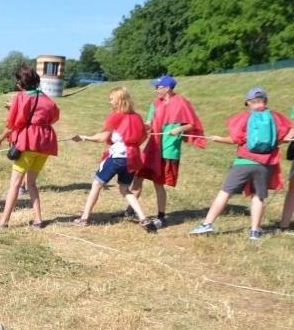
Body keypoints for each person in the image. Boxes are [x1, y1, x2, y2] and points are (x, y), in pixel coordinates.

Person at [191, 88, 291, 240]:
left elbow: (234, 139)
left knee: (225, 193)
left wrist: (219, 139)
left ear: (248, 102)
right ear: (266, 101)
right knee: (258, 197)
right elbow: (288, 134)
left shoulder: (244, 117)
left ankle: (207, 224)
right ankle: (255, 231)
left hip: (244, 161)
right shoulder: (276, 117)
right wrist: (280, 140)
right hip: (266, 163)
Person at [71, 87, 158, 231]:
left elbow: (102, 137)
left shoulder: (115, 116)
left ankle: (84, 218)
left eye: (111, 98)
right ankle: (143, 218)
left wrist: (84, 137)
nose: (109, 101)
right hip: (132, 158)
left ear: (118, 100)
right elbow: (143, 130)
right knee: (125, 189)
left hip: (118, 156)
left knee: (96, 185)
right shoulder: (136, 116)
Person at [129, 76, 206, 224]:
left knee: (158, 182)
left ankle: (161, 216)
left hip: (169, 148)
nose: (155, 90)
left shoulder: (182, 103)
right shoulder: (155, 103)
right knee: (138, 177)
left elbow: (193, 124)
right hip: (153, 146)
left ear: (167, 88)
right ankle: (130, 210)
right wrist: (139, 128)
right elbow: (149, 123)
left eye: (158, 87)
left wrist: (179, 129)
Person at [0, 66, 60, 228]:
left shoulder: (21, 97)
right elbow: (54, 116)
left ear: (21, 83)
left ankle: (4, 221)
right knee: (31, 183)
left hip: (29, 142)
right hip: (46, 143)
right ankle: (38, 219)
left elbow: (13, 124)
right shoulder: (46, 98)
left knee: (15, 184)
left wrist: (0, 138)